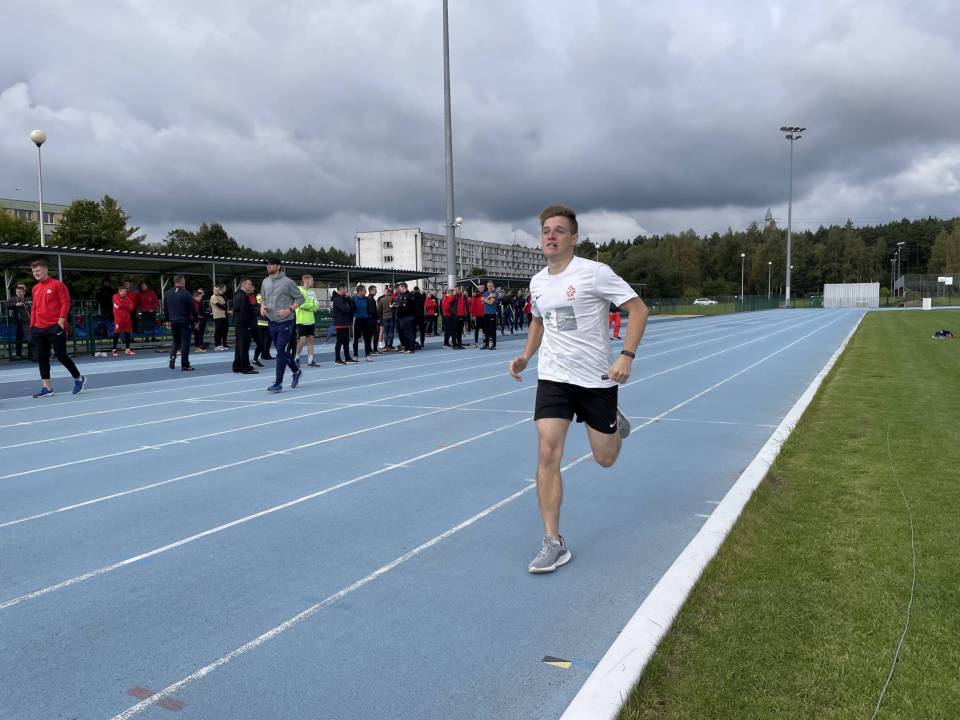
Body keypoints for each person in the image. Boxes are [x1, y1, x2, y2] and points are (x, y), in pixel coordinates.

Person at [508, 205, 649, 574]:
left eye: (559, 230)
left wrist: (626, 356)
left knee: (605, 458)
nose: (551, 236)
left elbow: (638, 310)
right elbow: (539, 321)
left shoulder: (594, 273)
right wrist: (526, 355)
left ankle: (612, 420)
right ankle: (553, 541)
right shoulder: (538, 282)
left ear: (574, 237)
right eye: (546, 231)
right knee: (547, 452)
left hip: (595, 379)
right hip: (553, 377)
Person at [28, 259, 85, 397]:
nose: (36, 273)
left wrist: (61, 321)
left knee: (61, 356)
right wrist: (32, 325)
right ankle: (47, 388)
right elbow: (35, 307)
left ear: (46, 270)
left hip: (55, 326)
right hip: (38, 328)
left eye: (38, 270)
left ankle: (79, 378)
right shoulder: (35, 288)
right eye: (33, 272)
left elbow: (65, 303)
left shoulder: (57, 285)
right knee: (42, 358)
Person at [259, 258, 303, 393]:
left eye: (271, 264)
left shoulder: (288, 282)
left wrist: (289, 309)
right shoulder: (265, 281)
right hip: (271, 321)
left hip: (286, 322)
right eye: (267, 264)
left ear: (278, 266)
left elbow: (300, 298)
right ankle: (296, 371)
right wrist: (262, 306)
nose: (268, 266)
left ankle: (278, 383)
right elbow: (263, 297)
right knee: (282, 352)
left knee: (280, 353)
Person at [164, 275, 197, 371]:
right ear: (182, 281)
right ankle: (185, 364)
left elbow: (165, 308)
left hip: (173, 320)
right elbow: (192, 308)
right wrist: (196, 320)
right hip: (184, 320)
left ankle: (172, 356)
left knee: (176, 340)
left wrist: (167, 320)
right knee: (185, 342)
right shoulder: (186, 293)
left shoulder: (168, 293)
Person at [231, 279, 259, 374]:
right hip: (243, 325)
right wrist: (248, 325)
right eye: (249, 284)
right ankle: (245, 367)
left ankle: (237, 366)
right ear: (243, 285)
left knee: (239, 346)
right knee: (244, 347)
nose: (251, 286)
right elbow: (244, 312)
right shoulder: (243, 296)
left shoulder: (238, 295)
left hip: (239, 324)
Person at [295, 274, 321, 367]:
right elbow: (301, 304)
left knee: (311, 341)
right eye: (312, 280)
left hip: (311, 320)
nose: (313, 282)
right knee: (302, 340)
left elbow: (317, 305)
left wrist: (309, 305)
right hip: (301, 320)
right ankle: (296, 358)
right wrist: (311, 305)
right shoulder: (299, 290)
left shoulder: (312, 292)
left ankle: (310, 361)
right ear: (306, 281)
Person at [331, 284, 357, 365]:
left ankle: (347, 358)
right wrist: (349, 309)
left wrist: (348, 298)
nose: (346, 291)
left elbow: (353, 307)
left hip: (345, 322)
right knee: (339, 341)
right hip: (340, 323)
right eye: (345, 289)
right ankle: (337, 359)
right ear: (341, 289)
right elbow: (345, 310)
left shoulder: (344, 298)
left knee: (346, 341)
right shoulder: (337, 299)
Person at [8, 283, 34, 361]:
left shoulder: (29, 299)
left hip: (29, 322)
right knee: (19, 338)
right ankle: (18, 354)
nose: (18, 293)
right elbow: (5, 305)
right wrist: (15, 304)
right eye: (17, 292)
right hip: (19, 323)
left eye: (20, 292)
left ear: (24, 292)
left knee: (30, 338)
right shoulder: (13, 299)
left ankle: (31, 354)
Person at [111, 283, 135, 356]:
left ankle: (127, 349)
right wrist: (126, 306)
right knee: (117, 333)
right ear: (119, 291)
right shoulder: (115, 296)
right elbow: (119, 305)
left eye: (126, 291)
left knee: (127, 333)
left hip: (127, 318)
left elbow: (132, 308)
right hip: (118, 319)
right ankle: (114, 350)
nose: (125, 292)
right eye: (124, 291)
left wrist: (124, 306)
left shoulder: (127, 298)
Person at [352, 284, 374, 362]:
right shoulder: (354, 299)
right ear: (360, 291)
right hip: (357, 320)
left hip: (366, 320)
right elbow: (351, 309)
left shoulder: (367, 299)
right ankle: (355, 355)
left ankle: (367, 355)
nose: (366, 292)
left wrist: (369, 317)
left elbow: (369, 310)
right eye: (364, 291)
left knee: (367, 339)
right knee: (356, 339)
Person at [395, 282, 416, 353]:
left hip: (407, 317)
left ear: (403, 287)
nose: (399, 289)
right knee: (405, 333)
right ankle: (407, 348)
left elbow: (405, 307)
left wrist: (399, 309)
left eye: (400, 288)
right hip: (405, 317)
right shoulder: (404, 295)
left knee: (409, 333)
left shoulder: (407, 295)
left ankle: (411, 348)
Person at [376, 283, 396, 351]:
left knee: (385, 332)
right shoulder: (394, 299)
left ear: (387, 292)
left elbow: (379, 310)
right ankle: (390, 345)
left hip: (384, 317)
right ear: (392, 292)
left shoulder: (381, 299)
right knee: (391, 332)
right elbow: (396, 308)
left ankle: (386, 345)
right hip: (392, 317)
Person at [253, 294, 272, 364]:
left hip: (259, 325)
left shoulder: (255, 306)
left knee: (262, 340)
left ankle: (263, 354)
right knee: (267, 340)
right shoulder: (264, 306)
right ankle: (266, 354)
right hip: (266, 324)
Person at [210, 284, 229, 350]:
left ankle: (221, 345)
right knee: (218, 331)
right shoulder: (213, 297)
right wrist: (223, 306)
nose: (217, 291)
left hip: (223, 316)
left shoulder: (221, 297)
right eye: (215, 290)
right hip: (217, 316)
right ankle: (216, 345)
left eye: (218, 290)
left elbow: (225, 306)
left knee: (222, 331)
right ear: (213, 290)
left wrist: (224, 307)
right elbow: (219, 306)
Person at [482, 280, 499, 350]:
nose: (490, 287)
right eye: (488, 286)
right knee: (486, 330)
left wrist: (485, 300)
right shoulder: (485, 293)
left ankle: (494, 345)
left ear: (493, 286)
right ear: (487, 286)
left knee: (492, 330)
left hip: (492, 314)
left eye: (491, 286)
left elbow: (491, 302)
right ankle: (487, 345)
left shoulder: (494, 293)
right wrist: (489, 297)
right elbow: (482, 302)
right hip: (485, 313)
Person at [192, 288, 208, 352]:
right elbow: (193, 313)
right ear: (195, 297)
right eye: (199, 297)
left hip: (197, 320)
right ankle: (178, 349)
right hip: (192, 321)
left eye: (201, 296)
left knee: (197, 334)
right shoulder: (192, 302)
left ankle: (198, 347)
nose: (200, 298)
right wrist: (197, 320)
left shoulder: (199, 302)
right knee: (186, 335)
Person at [366, 285, 380, 355]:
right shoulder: (371, 299)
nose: (376, 291)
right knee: (376, 335)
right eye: (375, 290)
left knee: (370, 335)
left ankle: (370, 350)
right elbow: (373, 311)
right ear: (371, 291)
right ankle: (374, 350)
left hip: (369, 320)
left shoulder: (369, 298)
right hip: (372, 320)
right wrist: (377, 319)